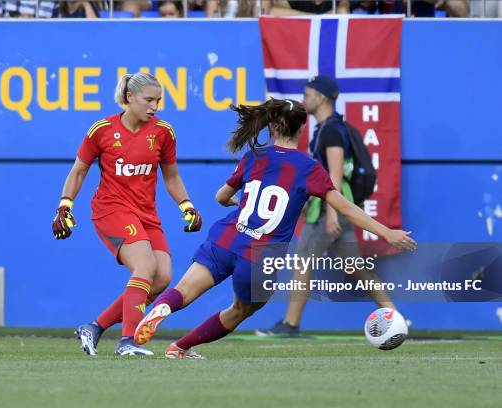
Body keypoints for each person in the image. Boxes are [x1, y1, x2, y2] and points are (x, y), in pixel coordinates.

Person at [133, 98, 416, 359]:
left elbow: (220, 197)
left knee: (183, 289)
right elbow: (346, 208)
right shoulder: (309, 168)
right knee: (240, 310)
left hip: (228, 236)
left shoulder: (254, 156)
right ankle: (180, 346)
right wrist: (387, 232)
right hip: (261, 255)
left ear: (272, 125)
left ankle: (163, 308)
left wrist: (236, 200)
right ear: (302, 128)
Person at [52, 72, 203, 356]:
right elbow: (79, 170)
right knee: (145, 267)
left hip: (146, 213)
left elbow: (171, 177)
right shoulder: (102, 130)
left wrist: (187, 205)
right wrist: (65, 205)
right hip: (111, 209)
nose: (154, 106)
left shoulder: (163, 132)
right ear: (129, 98)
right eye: (148, 100)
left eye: (158, 100)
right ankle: (127, 342)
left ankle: (94, 327)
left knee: (161, 278)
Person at [257, 75, 398, 337]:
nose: (304, 99)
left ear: (321, 98)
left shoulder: (331, 130)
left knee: (302, 262)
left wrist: (332, 214)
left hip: (327, 211)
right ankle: (396, 317)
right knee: (354, 267)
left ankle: (290, 325)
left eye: (308, 94)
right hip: (333, 208)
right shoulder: (328, 128)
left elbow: (334, 174)